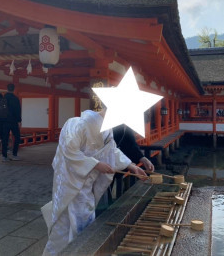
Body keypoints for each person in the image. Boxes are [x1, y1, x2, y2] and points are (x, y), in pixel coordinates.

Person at [41, 109, 147, 256]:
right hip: (70, 181)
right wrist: (96, 164)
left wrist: (132, 166)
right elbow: (69, 151)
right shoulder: (76, 123)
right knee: (66, 223)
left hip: (87, 181)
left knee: (85, 217)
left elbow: (112, 151)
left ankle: (81, 250)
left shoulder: (107, 131)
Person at [1, 83, 21, 162]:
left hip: (4, 121)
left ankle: (4, 156)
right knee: (17, 137)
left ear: (7, 89)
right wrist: (19, 120)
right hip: (13, 121)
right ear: (13, 89)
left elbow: (0, 111)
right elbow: (17, 110)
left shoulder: (3, 98)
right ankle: (14, 154)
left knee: (5, 138)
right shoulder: (15, 99)